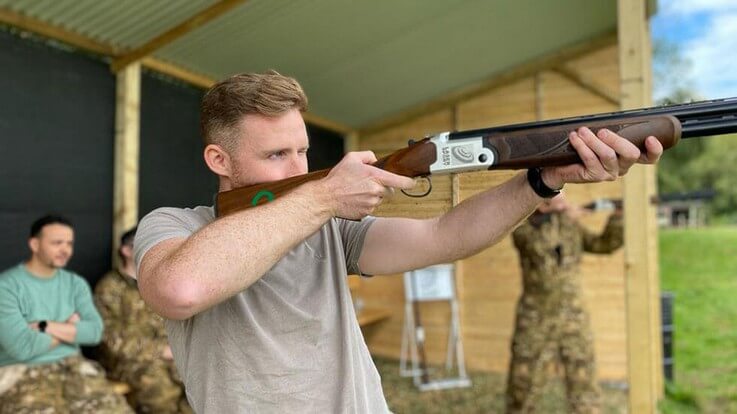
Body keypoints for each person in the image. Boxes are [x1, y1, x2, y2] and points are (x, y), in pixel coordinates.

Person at [133, 70, 662, 413]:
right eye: (277, 155)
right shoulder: (176, 226)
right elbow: (180, 288)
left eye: (302, 150)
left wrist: (543, 179)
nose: (299, 168)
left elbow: (445, 236)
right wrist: (322, 197)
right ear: (218, 160)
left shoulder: (329, 227)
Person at [0, 215, 132, 414]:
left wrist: (46, 326)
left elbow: (95, 332)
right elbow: (22, 347)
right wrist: (69, 327)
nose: (65, 250)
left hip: (74, 367)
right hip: (21, 372)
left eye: (69, 243)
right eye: (57, 243)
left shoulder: (75, 284)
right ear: (34, 244)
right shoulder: (7, 286)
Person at [505, 193, 624, 414]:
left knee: (584, 386)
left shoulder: (569, 224)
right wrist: (562, 217)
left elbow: (602, 245)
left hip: (573, 316)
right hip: (536, 317)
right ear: (542, 200)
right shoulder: (522, 227)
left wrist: (618, 219)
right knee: (523, 385)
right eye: (557, 194)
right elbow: (539, 248)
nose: (564, 198)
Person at [95, 227, 192, 413]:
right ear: (127, 251)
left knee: (200, 385)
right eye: (145, 245)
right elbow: (108, 338)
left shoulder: (155, 283)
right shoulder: (109, 288)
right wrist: (158, 350)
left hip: (170, 357)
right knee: (161, 395)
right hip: (128, 361)